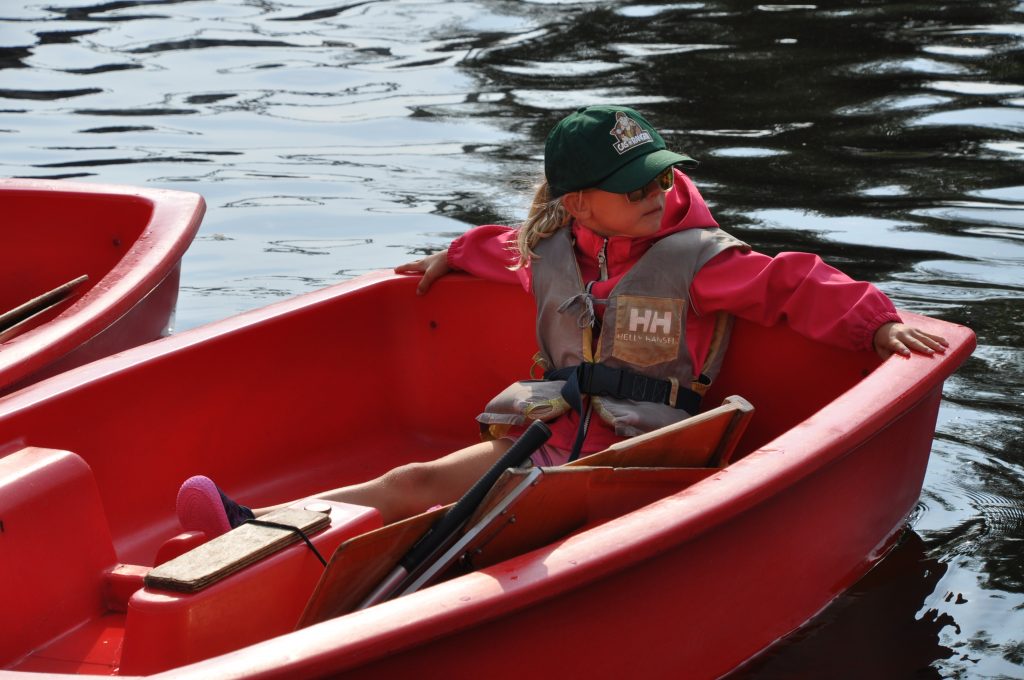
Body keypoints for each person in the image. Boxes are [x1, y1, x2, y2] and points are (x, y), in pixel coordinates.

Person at [176, 105, 948, 537]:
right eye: (635, 186)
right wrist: (449, 255)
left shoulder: (698, 258)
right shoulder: (552, 249)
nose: (658, 191)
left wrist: (874, 325)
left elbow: (790, 284)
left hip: (644, 449)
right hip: (557, 432)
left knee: (458, 514)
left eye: (661, 174)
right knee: (420, 485)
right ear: (579, 204)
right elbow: (502, 250)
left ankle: (273, 537)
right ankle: (257, 528)